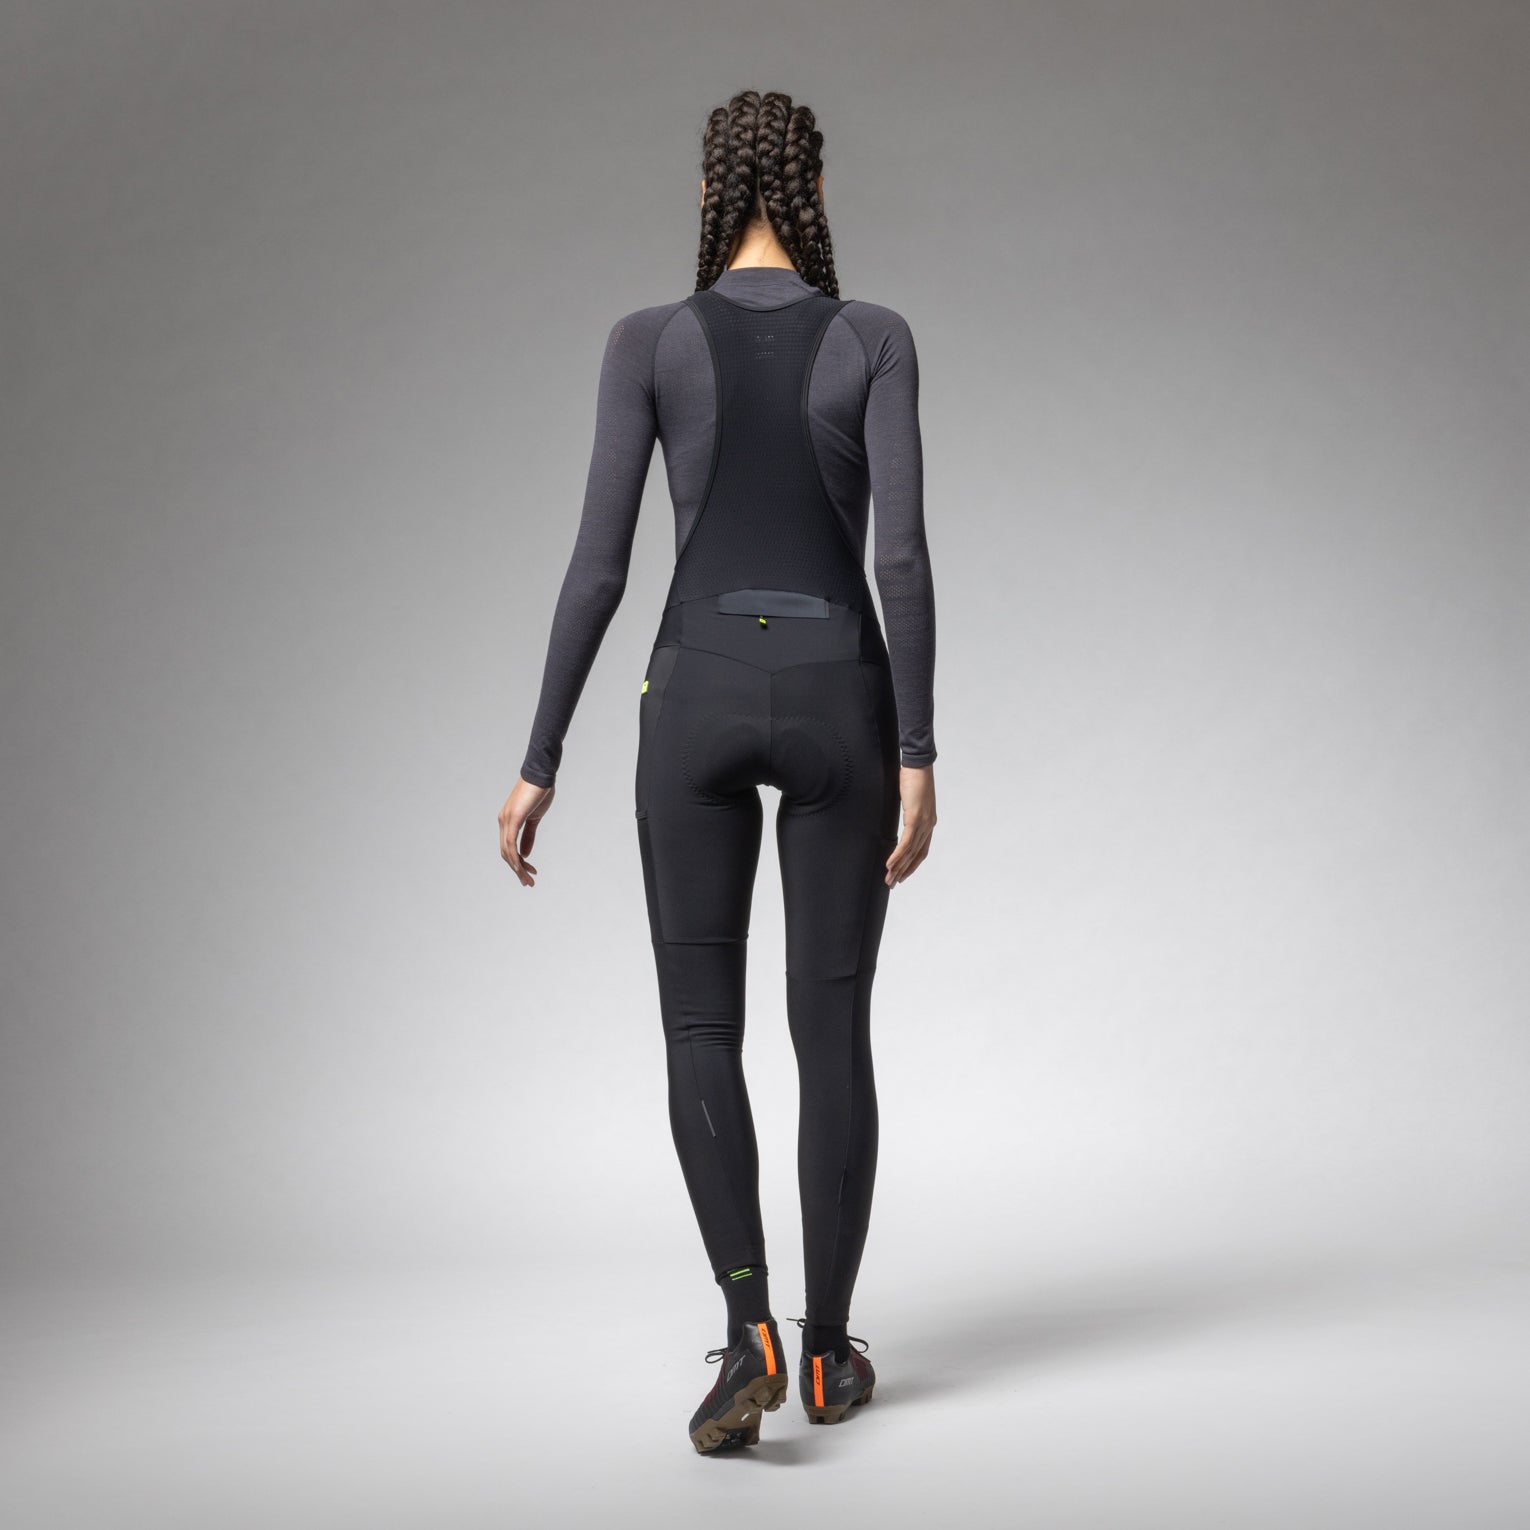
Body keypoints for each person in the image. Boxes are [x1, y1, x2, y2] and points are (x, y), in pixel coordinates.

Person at [498, 89, 938, 1453]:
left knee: (701, 1031)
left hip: (688, 696)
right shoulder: (874, 337)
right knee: (831, 1033)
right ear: (813, 186)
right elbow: (900, 558)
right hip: (839, 700)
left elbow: (599, 567)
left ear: (707, 189)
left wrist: (540, 755)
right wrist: (917, 749)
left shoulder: (647, 341)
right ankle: (826, 1355)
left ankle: (746, 1326)